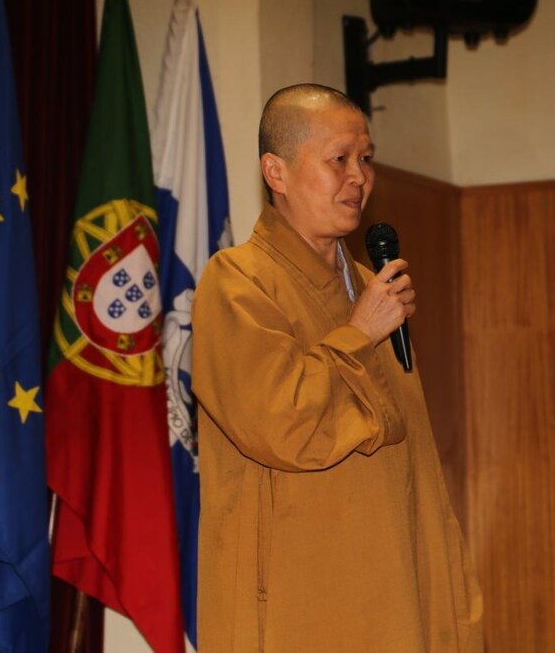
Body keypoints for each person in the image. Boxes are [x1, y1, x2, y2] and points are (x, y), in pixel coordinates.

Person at [192, 83, 483, 652]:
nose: (359, 177)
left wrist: (452, 609)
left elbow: (416, 468)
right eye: (338, 159)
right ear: (276, 172)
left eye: (365, 159)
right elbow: (282, 424)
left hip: (397, 594)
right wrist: (359, 333)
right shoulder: (237, 282)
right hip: (299, 605)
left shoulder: (372, 288)